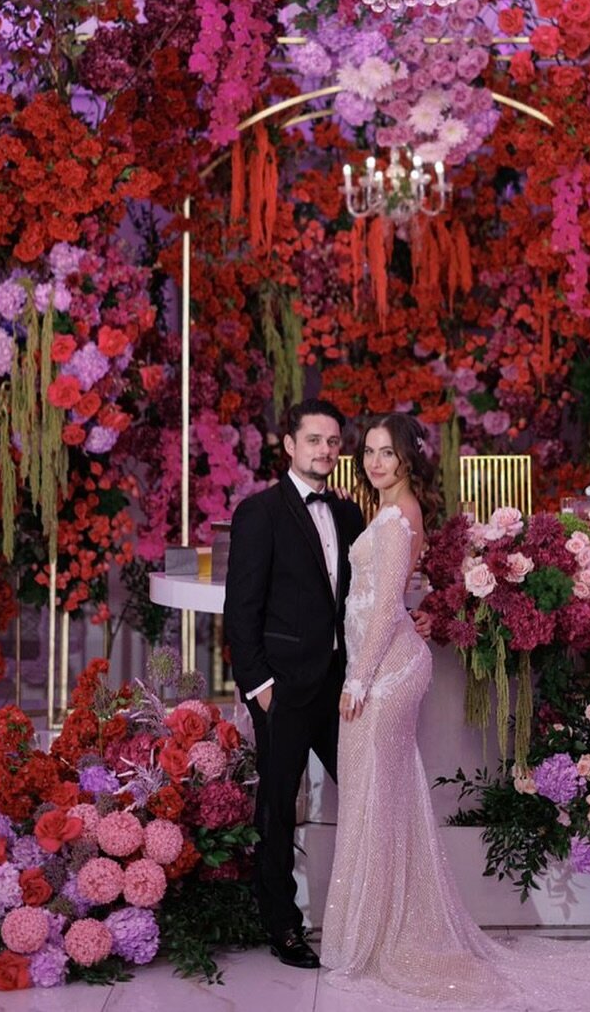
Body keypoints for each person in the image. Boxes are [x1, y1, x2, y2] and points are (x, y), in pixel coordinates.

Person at [320, 412, 590, 1009]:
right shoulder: (396, 515)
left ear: (409, 460)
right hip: (388, 666)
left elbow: (384, 608)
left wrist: (358, 679)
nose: (375, 462)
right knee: (381, 797)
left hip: (383, 674)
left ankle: (371, 936)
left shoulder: (392, 521)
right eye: (369, 452)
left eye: (387, 453)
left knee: (370, 799)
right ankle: (375, 929)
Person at [223, 397, 364, 970]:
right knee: (278, 807)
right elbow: (242, 608)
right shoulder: (260, 512)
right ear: (289, 444)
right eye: (314, 440)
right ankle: (281, 923)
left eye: (333, 442)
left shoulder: (350, 514)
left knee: (364, 793)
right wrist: (258, 686)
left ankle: (366, 914)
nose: (325, 451)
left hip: (337, 685)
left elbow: (358, 601)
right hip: (280, 687)